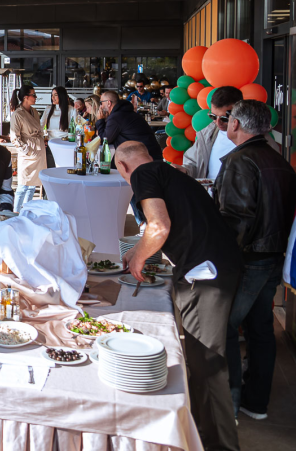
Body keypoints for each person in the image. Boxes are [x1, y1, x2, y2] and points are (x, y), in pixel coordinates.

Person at [114, 141, 241, 451]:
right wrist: (136, 251)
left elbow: (158, 226)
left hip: (206, 274)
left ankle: (219, 446)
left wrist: (138, 258)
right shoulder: (170, 173)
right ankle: (202, 432)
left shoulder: (143, 175)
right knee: (204, 361)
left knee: (206, 366)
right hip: (219, 266)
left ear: (124, 168)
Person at [214, 100, 296, 422]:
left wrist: (223, 261)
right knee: (260, 327)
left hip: (250, 259)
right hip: (273, 256)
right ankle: (256, 401)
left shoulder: (242, 160)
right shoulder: (279, 160)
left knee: (225, 325)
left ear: (237, 124)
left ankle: (230, 405)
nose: (225, 123)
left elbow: (236, 219)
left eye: (228, 119)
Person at [179, 86, 243, 181]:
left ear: (239, 112)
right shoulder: (207, 133)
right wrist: (184, 170)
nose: (217, 123)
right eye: (213, 116)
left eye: (224, 118)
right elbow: (194, 163)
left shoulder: (252, 136)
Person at [8, 87, 45, 213]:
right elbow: (14, 138)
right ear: (25, 97)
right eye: (33, 95)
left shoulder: (34, 111)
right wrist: (27, 150)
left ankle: (26, 212)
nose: (35, 97)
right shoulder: (17, 114)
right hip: (28, 153)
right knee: (23, 185)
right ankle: (16, 213)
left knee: (32, 186)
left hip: (38, 150)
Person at [97, 90, 163, 160]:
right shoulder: (124, 112)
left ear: (109, 103)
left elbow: (104, 140)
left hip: (145, 157)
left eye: (101, 103)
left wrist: (100, 120)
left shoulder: (116, 117)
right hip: (149, 152)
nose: (100, 106)